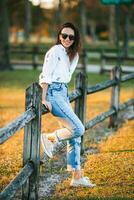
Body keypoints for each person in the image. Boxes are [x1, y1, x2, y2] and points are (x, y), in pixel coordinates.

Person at [39, 22, 96, 187]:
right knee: (78, 129)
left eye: (71, 36)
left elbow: (65, 77)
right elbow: (46, 75)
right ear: (59, 36)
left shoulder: (74, 55)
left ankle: (77, 177)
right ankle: (50, 137)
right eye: (64, 35)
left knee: (75, 136)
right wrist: (44, 99)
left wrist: (62, 94)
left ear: (75, 38)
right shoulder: (55, 50)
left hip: (62, 92)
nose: (67, 39)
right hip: (53, 93)